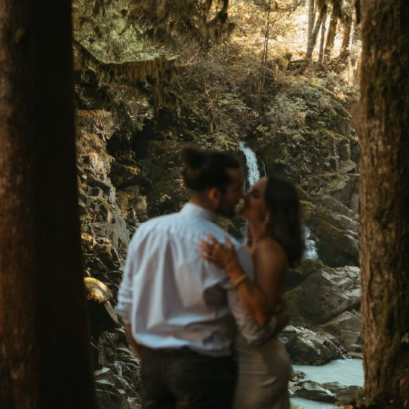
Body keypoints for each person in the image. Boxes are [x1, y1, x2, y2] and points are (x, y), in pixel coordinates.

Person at [116, 146, 284, 409]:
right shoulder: (229, 249)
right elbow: (251, 328)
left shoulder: (147, 232)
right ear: (215, 195)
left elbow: (126, 308)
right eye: (237, 188)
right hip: (205, 370)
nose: (241, 196)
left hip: (152, 368)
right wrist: (278, 320)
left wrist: (149, 357)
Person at [199, 176, 305, 409]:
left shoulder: (268, 249)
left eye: (255, 194)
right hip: (247, 362)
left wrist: (231, 267)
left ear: (270, 212)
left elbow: (260, 314)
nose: (245, 196)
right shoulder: (251, 248)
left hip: (259, 367)